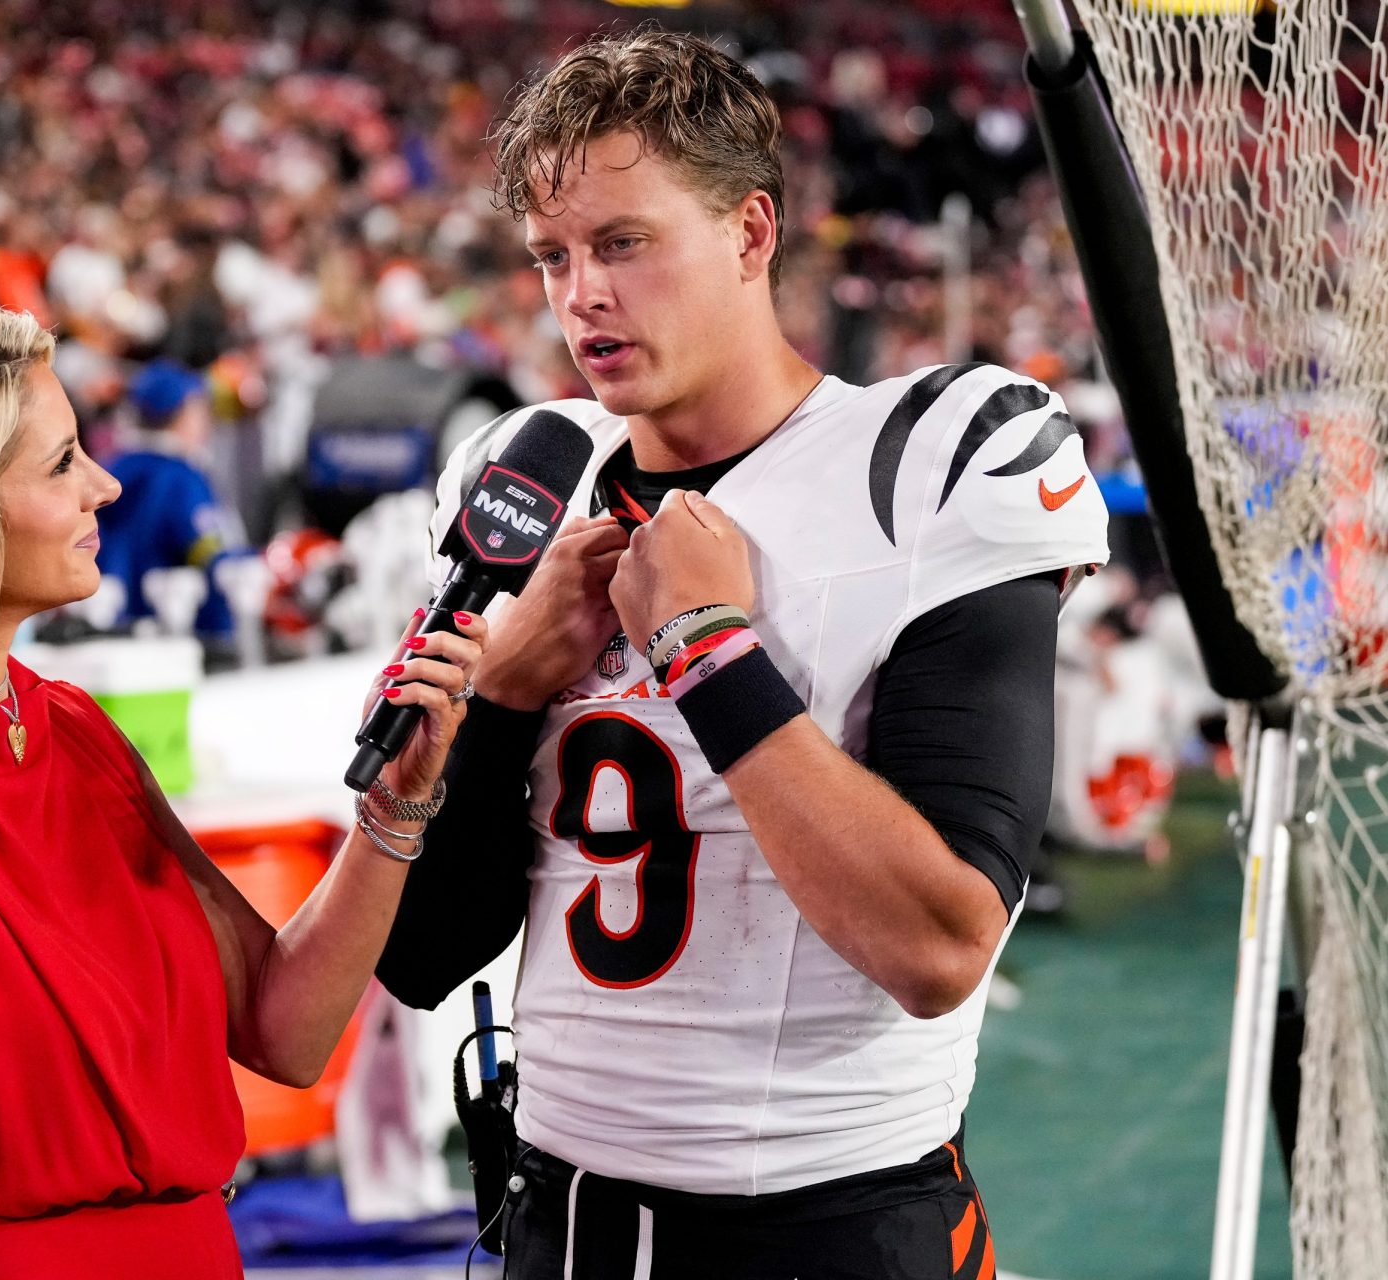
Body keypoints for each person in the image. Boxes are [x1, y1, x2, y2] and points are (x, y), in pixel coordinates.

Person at [375, 31, 1109, 1279]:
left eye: (622, 242)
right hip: (561, 1215)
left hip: (832, 1223)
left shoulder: (924, 466)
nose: (579, 295)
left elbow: (936, 948)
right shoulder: (523, 474)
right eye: (552, 256)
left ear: (750, 233)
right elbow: (425, 951)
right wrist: (503, 692)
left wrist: (705, 648)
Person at [0, 306, 486, 1279]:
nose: (105, 484)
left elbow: (285, 1025)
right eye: (62, 464)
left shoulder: (76, 732)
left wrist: (393, 805)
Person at [92, 358, 243, 635]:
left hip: (112, 622)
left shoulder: (109, 469)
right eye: (199, 410)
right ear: (181, 414)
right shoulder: (182, 478)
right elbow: (212, 552)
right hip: (180, 630)